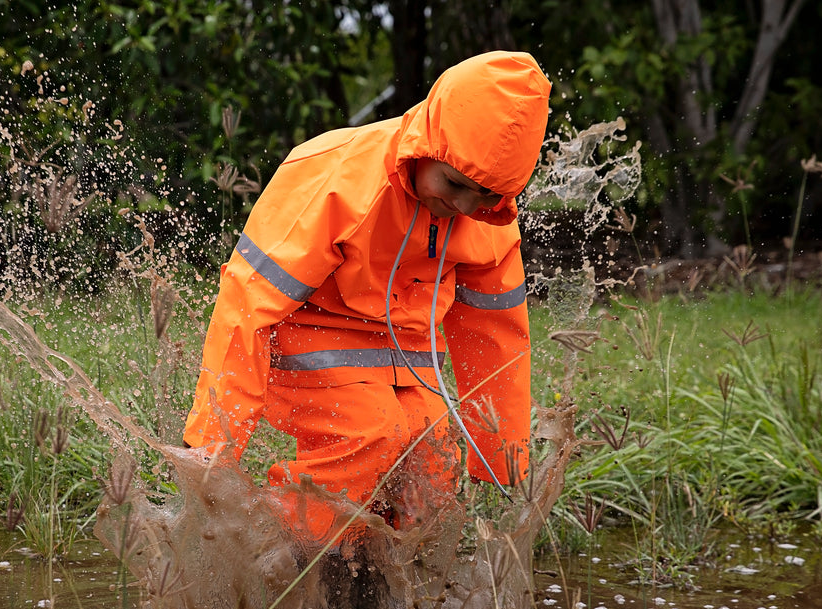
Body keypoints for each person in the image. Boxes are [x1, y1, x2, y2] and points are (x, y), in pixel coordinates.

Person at [183, 50, 551, 536]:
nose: (464, 206)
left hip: (410, 349)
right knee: (370, 436)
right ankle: (275, 555)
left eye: (486, 196)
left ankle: (379, 582)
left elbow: (497, 334)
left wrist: (500, 456)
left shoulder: (488, 214)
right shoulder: (337, 178)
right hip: (312, 334)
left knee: (432, 459)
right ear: (430, 144)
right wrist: (213, 449)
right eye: (455, 184)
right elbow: (246, 304)